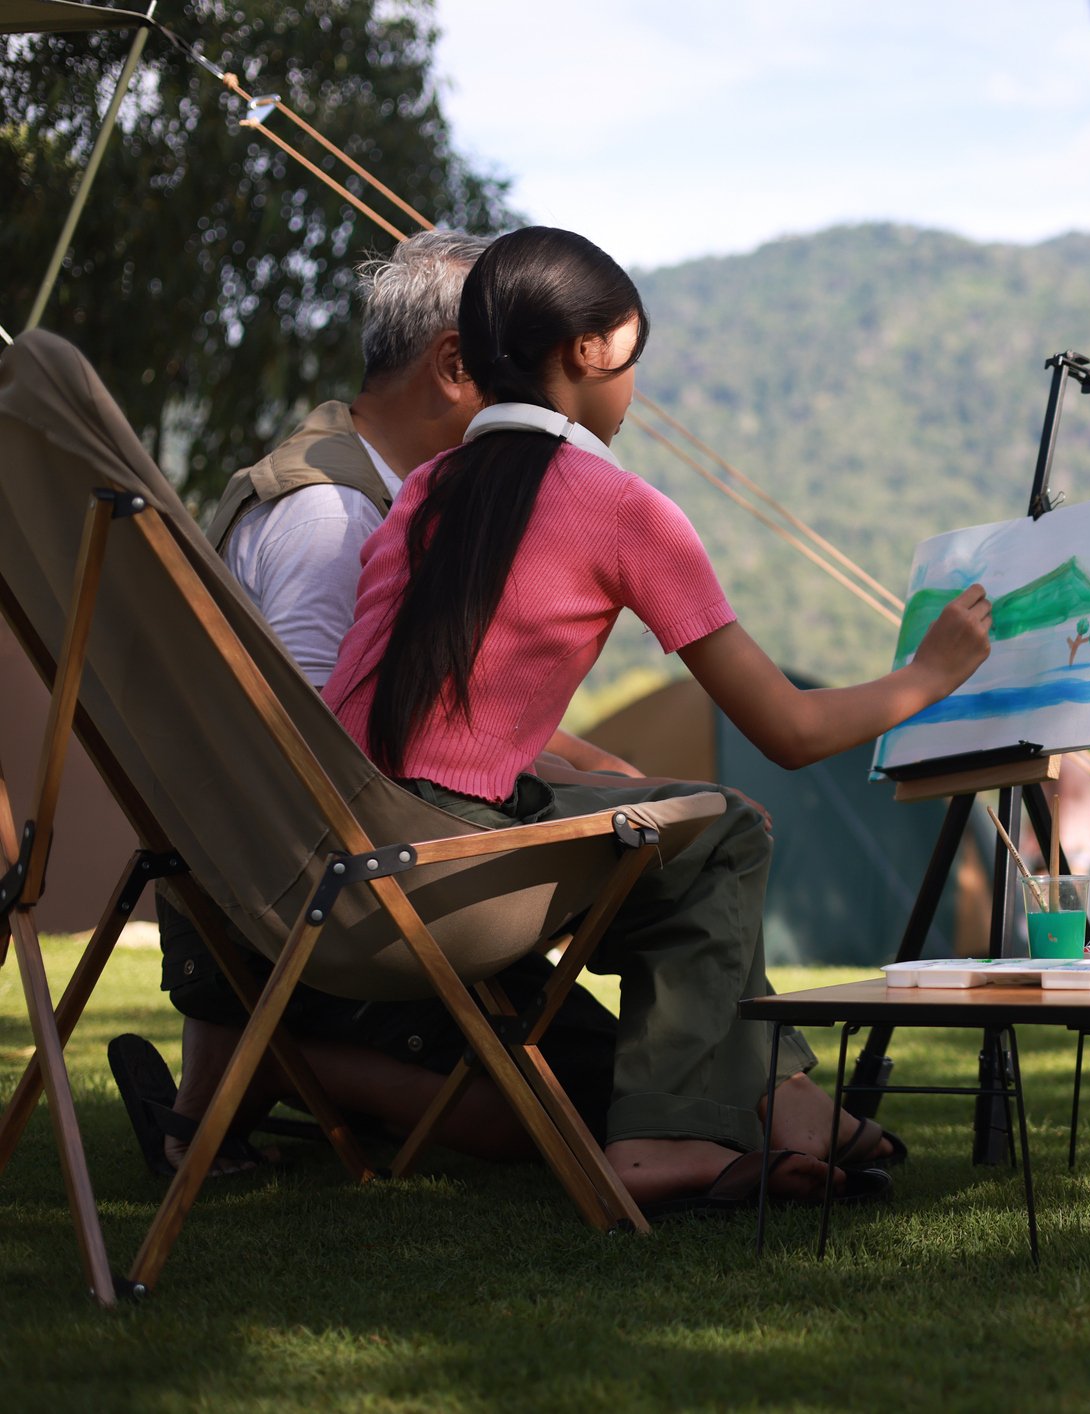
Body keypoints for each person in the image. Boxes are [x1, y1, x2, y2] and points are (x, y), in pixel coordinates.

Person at [323, 226, 993, 1210]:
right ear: (589, 354)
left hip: (333, 859)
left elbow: (415, 728)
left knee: (669, 809)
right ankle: (666, 1140)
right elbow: (790, 733)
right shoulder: (615, 504)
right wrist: (931, 674)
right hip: (436, 885)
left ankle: (782, 1095)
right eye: (635, 357)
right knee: (726, 830)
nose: (633, 386)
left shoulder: (425, 488)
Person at [130, 231, 628, 1178]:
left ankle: (213, 1100)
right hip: (328, 914)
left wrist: (581, 759)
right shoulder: (334, 517)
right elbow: (322, 761)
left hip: (329, 894)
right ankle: (262, 1070)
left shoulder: (385, 492)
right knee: (569, 1118)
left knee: (599, 1085)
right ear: (455, 366)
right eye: (509, 363)